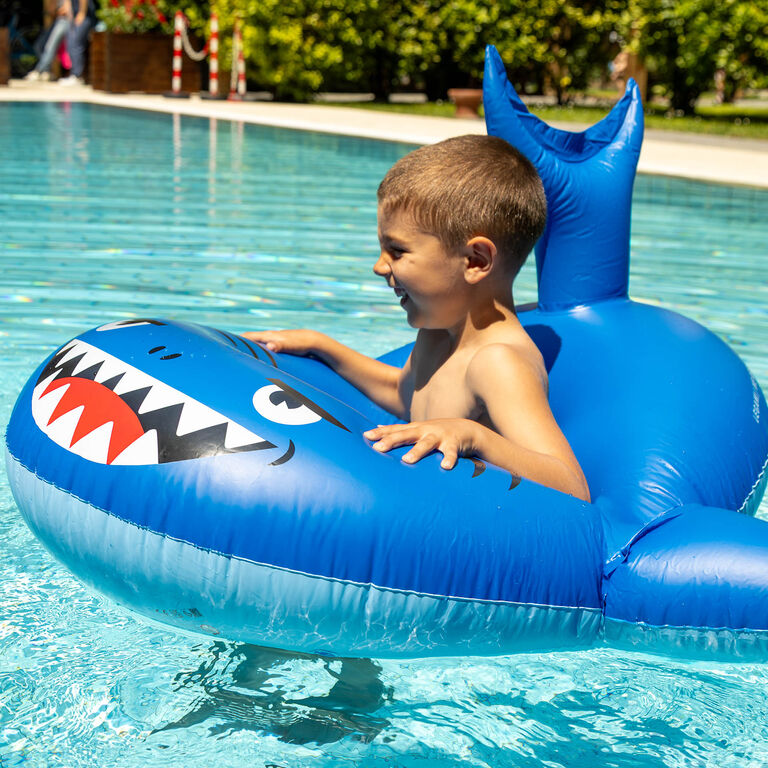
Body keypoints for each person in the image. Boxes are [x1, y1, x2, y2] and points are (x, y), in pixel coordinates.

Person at [245, 135, 590, 502]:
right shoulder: (439, 332)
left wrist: (474, 436)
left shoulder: (497, 362)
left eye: (396, 250)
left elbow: (571, 486)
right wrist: (321, 345)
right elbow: (402, 393)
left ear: (475, 261)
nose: (379, 267)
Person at [24, 0, 72, 82]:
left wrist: (62, 10)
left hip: (65, 20)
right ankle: (46, 71)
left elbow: (66, 8)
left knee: (50, 47)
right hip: (58, 20)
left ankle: (39, 71)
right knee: (39, 46)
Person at [58, 0, 95, 86]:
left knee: (76, 45)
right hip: (74, 15)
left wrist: (82, 13)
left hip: (85, 15)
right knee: (71, 44)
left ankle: (77, 76)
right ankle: (74, 74)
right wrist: (69, 15)